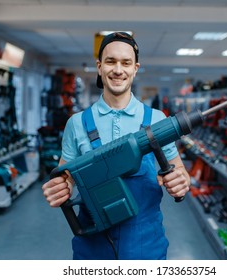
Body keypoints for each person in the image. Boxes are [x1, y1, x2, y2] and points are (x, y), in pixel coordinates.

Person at [42, 32, 190, 260]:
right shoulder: (77, 123)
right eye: (110, 61)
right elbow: (65, 177)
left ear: (135, 68)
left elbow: (179, 172)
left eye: (126, 63)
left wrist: (181, 182)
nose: (118, 70)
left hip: (146, 242)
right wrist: (59, 188)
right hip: (92, 244)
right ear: (99, 67)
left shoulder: (157, 120)